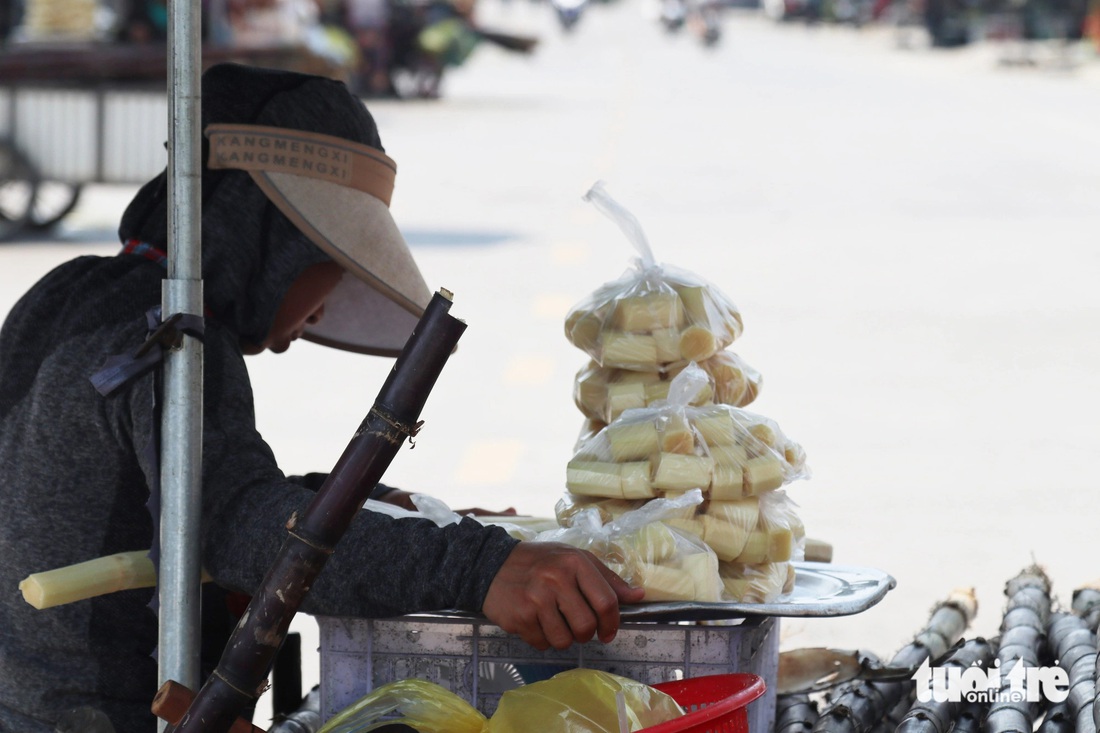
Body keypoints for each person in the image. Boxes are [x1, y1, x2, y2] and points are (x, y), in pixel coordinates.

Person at [0, 62, 643, 733]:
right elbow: (242, 525)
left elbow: (180, 491)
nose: (320, 311)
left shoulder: (68, 293)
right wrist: (479, 567)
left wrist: (396, 511)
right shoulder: (172, 337)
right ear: (270, 240)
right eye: (333, 262)